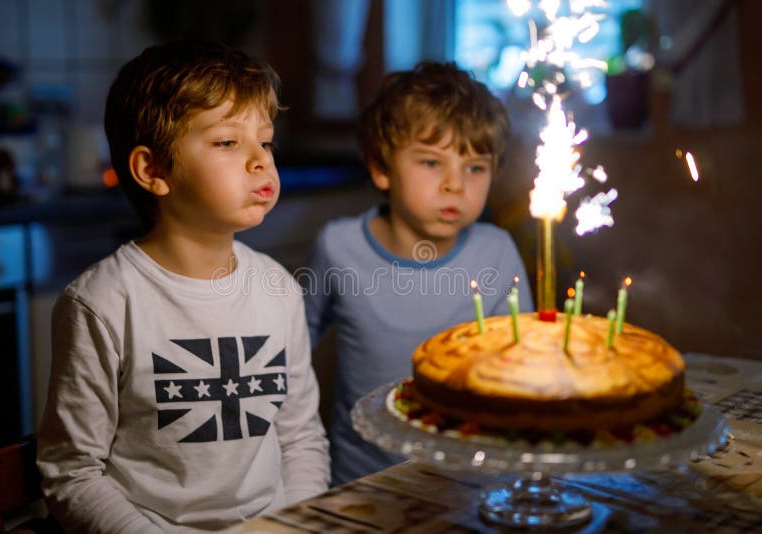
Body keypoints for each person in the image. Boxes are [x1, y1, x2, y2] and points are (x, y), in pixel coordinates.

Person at [37, 41, 330, 532]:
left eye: (266, 141)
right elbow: (73, 474)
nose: (261, 160)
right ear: (153, 170)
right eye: (226, 142)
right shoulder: (101, 303)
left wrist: (296, 523)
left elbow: (300, 439)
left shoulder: (279, 288)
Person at [303, 61, 533, 485]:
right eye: (431, 163)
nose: (455, 185)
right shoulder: (338, 247)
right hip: (362, 488)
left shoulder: (497, 251)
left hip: (472, 486)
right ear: (381, 168)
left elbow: (524, 370)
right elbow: (291, 351)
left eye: (475, 168)